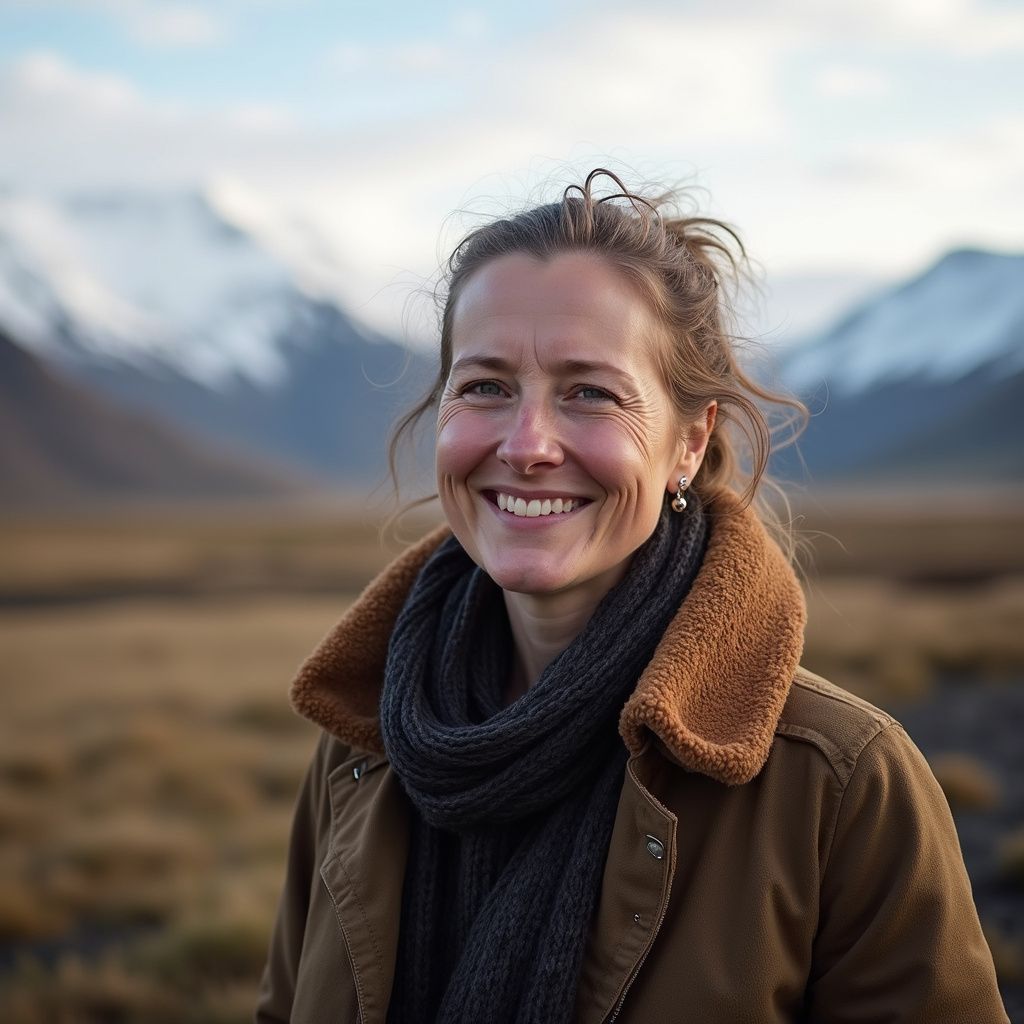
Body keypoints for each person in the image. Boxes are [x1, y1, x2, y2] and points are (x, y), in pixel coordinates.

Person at [255, 169, 1008, 1024]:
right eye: (485, 387)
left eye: (590, 393)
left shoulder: (838, 782)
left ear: (689, 444)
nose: (528, 444)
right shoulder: (368, 740)